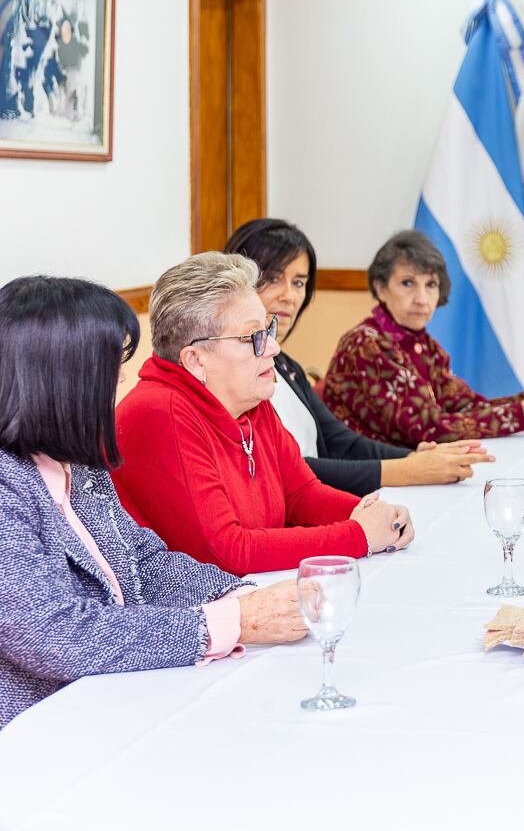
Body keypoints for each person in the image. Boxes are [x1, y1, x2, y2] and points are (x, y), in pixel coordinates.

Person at [0, 276, 309, 729]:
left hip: (111, 700)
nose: (121, 378)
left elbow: (144, 560)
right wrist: (224, 624)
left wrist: (239, 596)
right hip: (36, 735)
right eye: (107, 367)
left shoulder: (78, 465)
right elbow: (56, 634)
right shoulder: (7, 487)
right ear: (57, 378)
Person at [112, 253, 415, 576]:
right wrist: (357, 535)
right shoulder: (158, 414)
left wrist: (371, 514)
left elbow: (301, 494)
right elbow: (227, 552)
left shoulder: (248, 398)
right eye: (252, 337)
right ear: (196, 360)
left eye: (268, 330)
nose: (273, 348)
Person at [224, 218, 495, 492]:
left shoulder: (285, 365)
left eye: (298, 282)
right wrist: (406, 469)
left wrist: (413, 458)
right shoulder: (230, 374)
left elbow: (339, 441)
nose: (289, 296)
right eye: (272, 278)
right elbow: (285, 470)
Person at [322, 230, 524, 448]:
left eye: (431, 284)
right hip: (368, 485)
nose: (422, 298)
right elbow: (428, 430)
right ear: (381, 289)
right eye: (408, 283)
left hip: (412, 471)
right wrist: (522, 413)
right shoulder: (366, 345)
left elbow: (467, 406)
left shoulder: (424, 346)